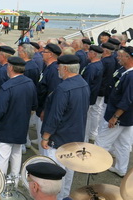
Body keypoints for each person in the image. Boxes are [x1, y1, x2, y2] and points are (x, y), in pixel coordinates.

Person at [41, 55, 90, 199]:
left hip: (59, 140)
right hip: (75, 137)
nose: (57, 68)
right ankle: (65, 197)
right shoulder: (83, 83)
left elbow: (55, 116)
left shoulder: (63, 88)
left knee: (53, 175)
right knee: (68, 173)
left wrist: (46, 137)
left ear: (66, 68)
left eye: (59, 66)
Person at [0, 56, 37, 181]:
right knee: (16, 154)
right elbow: (33, 106)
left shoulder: (7, 87)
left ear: (10, 68)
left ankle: (1, 185)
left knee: (2, 159)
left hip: (5, 129)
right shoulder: (30, 83)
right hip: (21, 127)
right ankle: (14, 182)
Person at [95, 46, 133, 177]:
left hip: (119, 117)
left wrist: (115, 116)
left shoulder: (130, 76)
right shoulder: (125, 72)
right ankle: (121, 169)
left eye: (120, 56)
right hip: (127, 118)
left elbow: (127, 99)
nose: (118, 58)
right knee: (123, 144)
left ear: (128, 58)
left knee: (102, 140)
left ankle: (95, 166)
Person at [36, 44, 62, 155]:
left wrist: (45, 110)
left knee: (43, 139)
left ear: (51, 54)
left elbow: (52, 93)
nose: (42, 53)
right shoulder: (47, 67)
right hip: (41, 107)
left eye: (45, 52)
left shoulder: (54, 70)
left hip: (45, 110)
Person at [81, 45, 104, 142]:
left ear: (94, 54)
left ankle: (84, 140)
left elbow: (87, 84)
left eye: (89, 52)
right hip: (92, 97)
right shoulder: (98, 64)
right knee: (88, 118)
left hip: (87, 97)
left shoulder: (92, 67)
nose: (87, 54)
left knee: (85, 120)